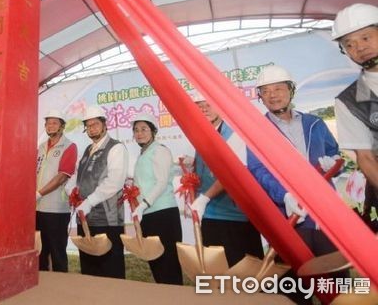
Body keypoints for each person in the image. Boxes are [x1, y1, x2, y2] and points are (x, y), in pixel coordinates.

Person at [248, 65, 344, 303]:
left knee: (338, 280)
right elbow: (258, 170)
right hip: (290, 218)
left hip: (325, 216)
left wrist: (334, 163)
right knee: (294, 283)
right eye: (266, 90)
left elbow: (335, 154)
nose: (273, 94)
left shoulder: (315, 123)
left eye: (279, 88)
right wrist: (285, 195)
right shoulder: (256, 130)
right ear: (260, 97)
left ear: (291, 90)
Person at [187, 92, 264, 267]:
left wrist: (204, 198)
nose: (204, 109)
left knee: (246, 272)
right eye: (199, 105)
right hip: (211, 215)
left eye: (209, 104)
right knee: (217, 271)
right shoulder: (202, 134)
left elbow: (233, 172)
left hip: (235, 217)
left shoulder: (234, 134)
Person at [332, 3, 378, 232]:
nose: (359, 48)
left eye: (365, 37)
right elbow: (366, 159)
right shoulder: (347, 101)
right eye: (349, 44)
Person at [69, 105, 128, 279]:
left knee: (110, 270)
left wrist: (89, 202)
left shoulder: (116, 148)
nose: (91, 128)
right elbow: (77, 176)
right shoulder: (87, 150)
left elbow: (115, 182)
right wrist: (71, 190)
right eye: (88, 125)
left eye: (95, 124)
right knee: (89, 270)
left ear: (104, 124)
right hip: (86, 219)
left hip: (107, 220)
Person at [129, 113, 182, 284]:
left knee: (169, 264)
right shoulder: (143, 153)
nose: (139, 133)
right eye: (136, 130)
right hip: (148, 215)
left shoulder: (160, 150)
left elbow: (160, 183)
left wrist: (143, 204)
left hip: (163, 214)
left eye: (144, 129)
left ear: (153, 131)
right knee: (156, 263)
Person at [35, 110, 77, 272]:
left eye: (54, 122)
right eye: (48, 123)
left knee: (57, 253)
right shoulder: (40, 147)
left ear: (62, 126)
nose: (50, 126)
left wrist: (39, 193)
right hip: (37, 208)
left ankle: (62, 288)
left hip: (56, 210)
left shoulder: (69, 146)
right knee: (39, 251)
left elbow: (62, 176)